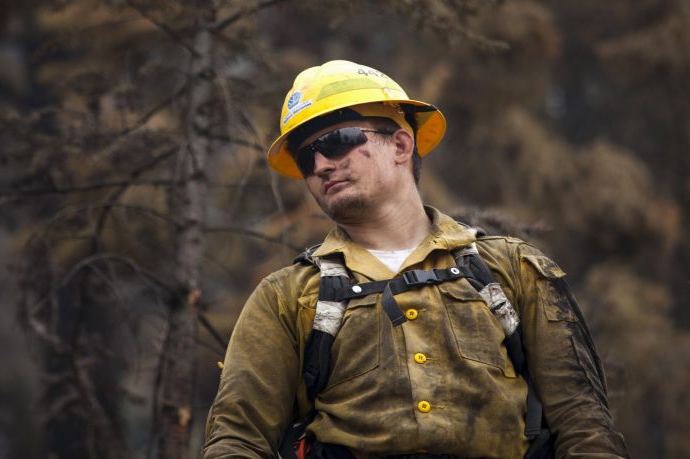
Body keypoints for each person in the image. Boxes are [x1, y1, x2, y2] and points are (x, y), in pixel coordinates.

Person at [202, 60, 630, 458]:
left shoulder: (513, 270)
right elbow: (237, 440)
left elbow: (584, 425)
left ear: (401, 144)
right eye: (305, 156)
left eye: (336, 142)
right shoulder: (287, 298)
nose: (320, 165)